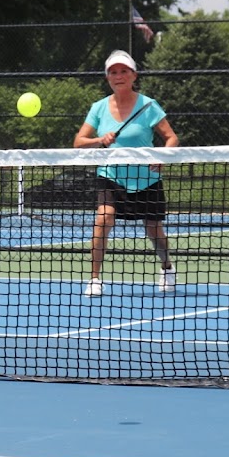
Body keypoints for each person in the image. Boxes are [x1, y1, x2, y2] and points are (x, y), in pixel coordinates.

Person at [73, 50, 179, 297]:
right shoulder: (98, 108)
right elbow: (79, 141)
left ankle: (167, 268)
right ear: (107, 77)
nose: (118, 76)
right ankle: (95, 279)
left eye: (124, 71)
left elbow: (171, 137)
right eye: (113, 72)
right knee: (103, 219)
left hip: (146, 179)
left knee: (153, 228)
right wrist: (100, 139)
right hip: (111, 175)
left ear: (134, 75)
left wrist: (162, 156)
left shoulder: (149, 105)